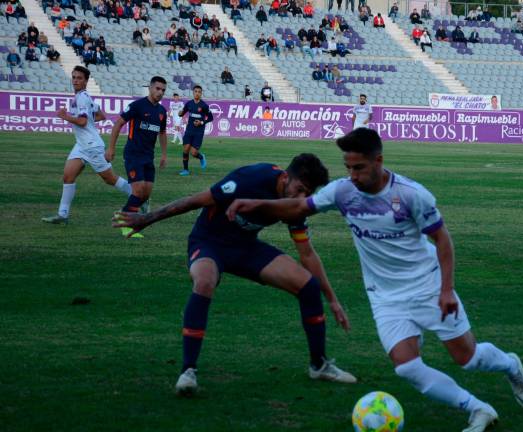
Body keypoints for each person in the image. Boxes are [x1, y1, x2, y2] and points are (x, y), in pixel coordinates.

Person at [225, 129, 523, 432]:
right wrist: (255, 203)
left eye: (359, 168)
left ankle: (509, 364)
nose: (353, 175)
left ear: (379, 161)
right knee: (407, 367)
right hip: (385, 296)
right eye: (348, 168)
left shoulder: (411, 194)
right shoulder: (343, 191)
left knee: (467, 358)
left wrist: (447, 290)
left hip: (427, 286)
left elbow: (442, 240)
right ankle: (478, 409)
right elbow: (298, 206)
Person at [112, 155, 358, 395]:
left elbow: (307, 254)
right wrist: (147, 218)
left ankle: (319, 365)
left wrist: (332, 299)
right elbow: (195, 200)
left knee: (308, 286)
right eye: (300, 189)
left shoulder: (295, 206)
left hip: (246, 248)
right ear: (285, 177)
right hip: (209, 242)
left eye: (308, 193)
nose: (301, 198)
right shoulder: (251, 178)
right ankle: (188, 371)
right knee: (204, 282)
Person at [41, 66, 134, 225]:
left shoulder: (82, 98)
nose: (75, 80)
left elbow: (83, 122)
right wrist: (84, 120)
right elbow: (100, 115)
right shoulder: (84, 97)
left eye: (79, 78)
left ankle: (139, 197)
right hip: (81, 145)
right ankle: (62, 214)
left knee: (110, 179)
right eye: (74, 77)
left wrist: (66, 117)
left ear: (86, 81)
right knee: (68, 176)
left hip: (91, 146)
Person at [106, 76, 169, 237]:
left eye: (163, 90)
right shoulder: (137, 106)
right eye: (158, 88)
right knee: (138, 190)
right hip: (133, 154)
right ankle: (125, 223)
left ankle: (126, 212)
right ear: (150, 87)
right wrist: (111, 148)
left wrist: (164, 154)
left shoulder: (162, 112)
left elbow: (162, 133)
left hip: (149, 156)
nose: (160, 92)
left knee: (146, 193)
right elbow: (118, 124)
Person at [178, 85, 211, 176]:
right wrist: (180, 113)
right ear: (193, 93)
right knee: (185, 149)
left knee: (193, 153)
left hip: (198, 132)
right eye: (195, 91)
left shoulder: (204, 106)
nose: (197, 93)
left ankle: (201, 157)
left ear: (201, 93)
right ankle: (185, 170)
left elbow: (210, 118)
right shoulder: (189, 104)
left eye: (199, 92)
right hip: (189, 130)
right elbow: (182, 113)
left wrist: (201, 122)